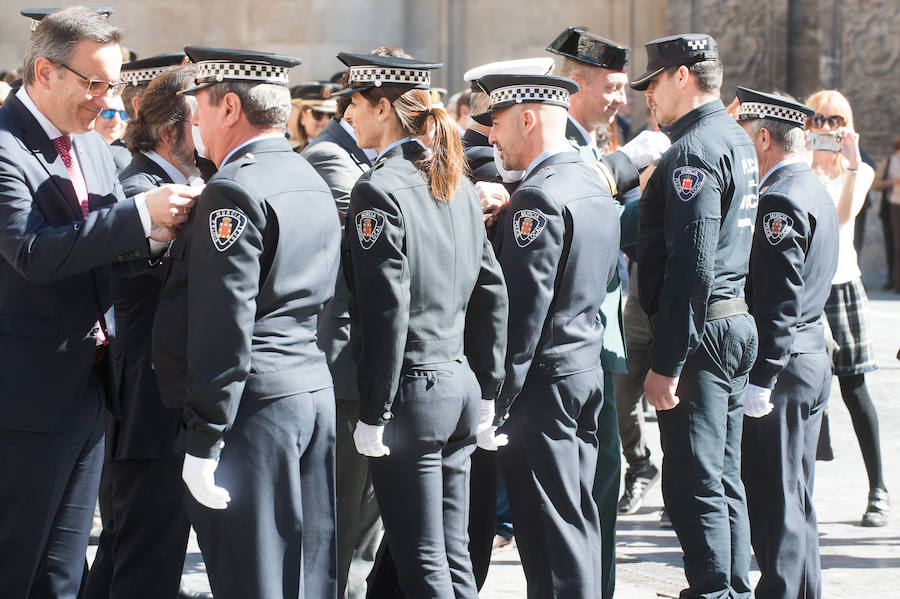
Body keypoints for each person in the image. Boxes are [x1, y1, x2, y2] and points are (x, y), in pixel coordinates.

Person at [0, 7, 198, 597]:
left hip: (93, 387)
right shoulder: (7, 146)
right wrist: (140, 215)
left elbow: (107, 248)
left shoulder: (87, 146)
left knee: (62, 571)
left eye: (112, 84)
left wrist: (161, 234)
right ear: (44, 71)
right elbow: (33, 251)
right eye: (94, 83)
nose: (105, 100)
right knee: (16, 561)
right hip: (27, 395)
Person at [158, 45, 342, 599]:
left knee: (253, 577)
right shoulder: (307, 173)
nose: (195, 120)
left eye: (201, 107)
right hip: (309, 388)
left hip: (252, 409)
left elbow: (225, 325)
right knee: (304, 576)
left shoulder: (233, 189)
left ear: (231, 108)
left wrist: (205, 438)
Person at [340, 51, 508, 598]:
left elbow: (387, 310)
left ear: (384, 108)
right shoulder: (454, 181)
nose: (349, 114)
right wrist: (486, 386)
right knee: (453, 553)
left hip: (413, 394)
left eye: (356, 103)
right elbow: (492, 290)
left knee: (422, 560)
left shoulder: (378, 189)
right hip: (457, 383)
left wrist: (374, 409)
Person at [473, 72, 620, 597]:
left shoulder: (536, 199)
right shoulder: (588, 180)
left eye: (497, 125)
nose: (491, 138)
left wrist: (496, 398)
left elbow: (521, 318)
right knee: (575, 522)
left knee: (549, 536)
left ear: (527, 119)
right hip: (581, 367)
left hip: (541, 386)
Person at [631, 34, 759, 599]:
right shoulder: (733, 137)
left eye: (652, 83)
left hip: (702, 330)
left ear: (682, 76)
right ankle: (729, 587)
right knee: (723, 476)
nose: (647, 98)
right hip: (730, 321)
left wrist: (666, 362)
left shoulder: (694, 151)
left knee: (693, 481)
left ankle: (713, 591)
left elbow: (691, 267)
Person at [547, 26, 670, 597]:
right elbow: (584, 223)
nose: (623, 99)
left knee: (601, 480)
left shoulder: (587, 143)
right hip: (575, 336)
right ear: (578, 84)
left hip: (599, 331)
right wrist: (634, 178)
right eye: (615, 87)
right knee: (586, 485)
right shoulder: (563, 144)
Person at [80, 66, 211, 599]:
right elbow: (123, 271)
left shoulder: (181, 184)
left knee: (135, 545)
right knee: (141, 548)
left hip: (166, 392)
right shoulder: (137, 187)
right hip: (145, 396)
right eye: (197, 120)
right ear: (169, 132)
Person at [736, 87, 839, 599]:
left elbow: (778, 299)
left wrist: (763, 375)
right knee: (797, 501)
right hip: (810, 356)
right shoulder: (814, 186)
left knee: (776, 506)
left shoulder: (778, 198)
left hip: (785, 365)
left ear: (763, 138)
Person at [300, 50, 387, 599]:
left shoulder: (376, 156)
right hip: (346, 357)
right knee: (339, 509)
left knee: (367, 516)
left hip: (377, 355)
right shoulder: (331, 156)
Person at [806, 89, 888, 526]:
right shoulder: (795, 168)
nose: (828, 127)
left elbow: (839, 218)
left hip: (842, 286)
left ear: (848, 125)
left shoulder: (861, 171)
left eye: (837, 120)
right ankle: (800, 495)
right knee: (798, 391)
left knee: (855, 391)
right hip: (803, 289)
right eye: (820, 118)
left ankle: (878, 489)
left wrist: (852, 165)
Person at [874, 136, 900, 292]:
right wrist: (890, 183)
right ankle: (894, 280)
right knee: (894, 246)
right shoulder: (889, 161)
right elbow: (876, 184)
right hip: (892, 207)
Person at [94, 93, 132, 171]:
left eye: (122, 114)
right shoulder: (76, 153)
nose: (117, 120)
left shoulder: (132, 155)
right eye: (108, 112)